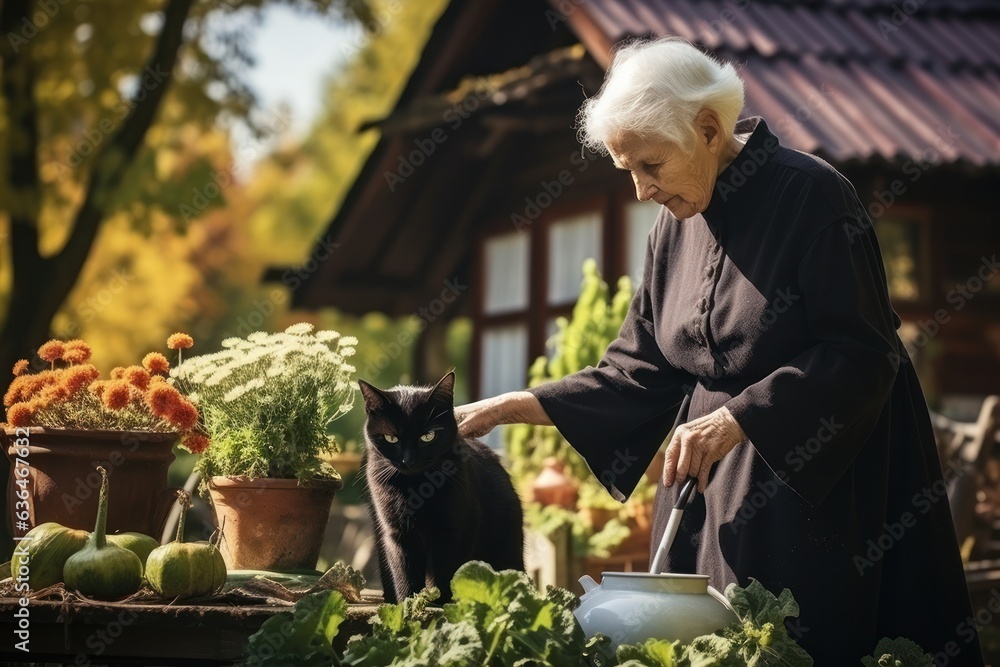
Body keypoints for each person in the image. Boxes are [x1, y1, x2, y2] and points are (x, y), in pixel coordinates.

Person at [454, 37, 983, 664]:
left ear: (707, 128)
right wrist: (513, 405)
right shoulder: (670, 232)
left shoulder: (813, 197)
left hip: (818, 490)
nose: (643, 192)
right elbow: (638, 370)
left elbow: (864, 353)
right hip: (710, 492)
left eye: (652, 166)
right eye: (629, 173)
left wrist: (739, 417)